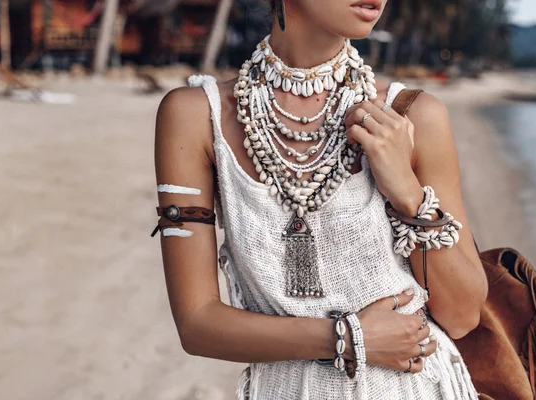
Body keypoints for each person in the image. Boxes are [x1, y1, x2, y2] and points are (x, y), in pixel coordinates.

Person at [153, 0, 488, 398]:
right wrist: (347, 338)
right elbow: (196, 325)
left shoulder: (411, 116)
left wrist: (406, 192)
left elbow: (464, 314)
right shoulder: (195, 116)